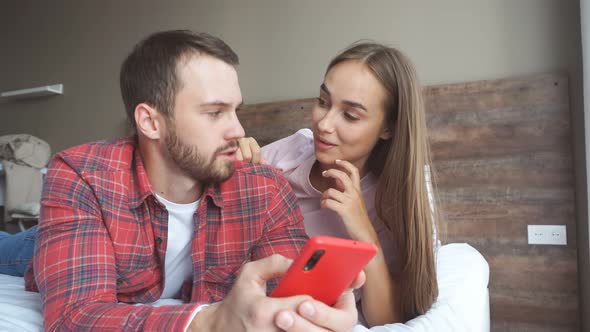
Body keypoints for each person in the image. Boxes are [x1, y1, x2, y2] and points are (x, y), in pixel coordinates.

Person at [0, 30, 364, 332]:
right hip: (34, 250)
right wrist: (211, 322)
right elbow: (72, 316)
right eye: (214, 112)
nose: (238, 130)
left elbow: (281, 297)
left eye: (236, 110)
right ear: (151, 122)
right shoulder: (81, 174)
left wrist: (315, 308)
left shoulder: (266, 187)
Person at [237, 42, 439, 326]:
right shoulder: (292, 152)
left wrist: (363, 232)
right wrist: (236, 165)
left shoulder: (396, 200)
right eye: (323, 102)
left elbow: (387, 322)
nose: (324, 124)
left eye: (350, 115)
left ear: (388, 127)